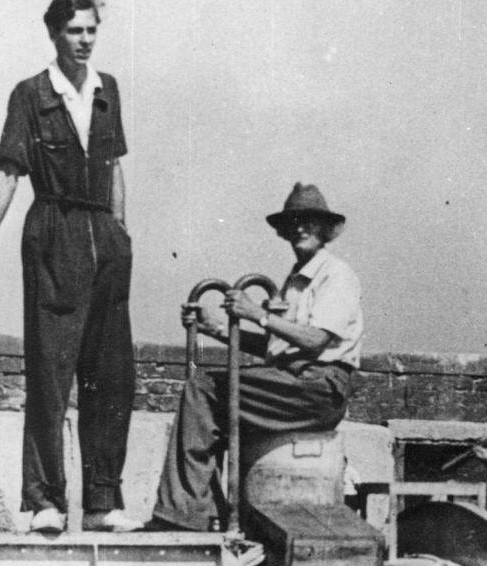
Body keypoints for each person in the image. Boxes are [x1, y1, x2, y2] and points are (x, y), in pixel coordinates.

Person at [0, 0, 135, 534]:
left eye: (91, 31)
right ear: (54, 35)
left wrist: (120, 235)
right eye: (74, 32)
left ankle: (104, 502)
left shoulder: (109, 91)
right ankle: (45, 501)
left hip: (104, 238)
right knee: (50, 371)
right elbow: (8, 173)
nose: (84, 41)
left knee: (110, 376)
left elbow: (115, 170)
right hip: (53, 231)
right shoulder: (31, 94)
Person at [150, 183, 362, 532]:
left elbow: (315, 339)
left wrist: (256, 314)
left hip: (320, 388)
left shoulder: (336, 275)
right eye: (293, 222)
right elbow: (278, 347)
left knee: (203, 390)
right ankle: (207, 513)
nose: (300, 229)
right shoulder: (296, 281)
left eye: (309, 222)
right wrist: (216, 329)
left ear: (325, 230)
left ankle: (182, 515)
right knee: (207, 399)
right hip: (296, 382)